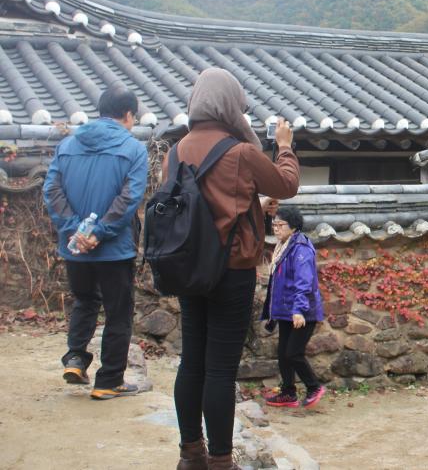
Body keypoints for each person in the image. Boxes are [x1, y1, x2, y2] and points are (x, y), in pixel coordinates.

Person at [165, 68, 300, 470]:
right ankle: (222, 461)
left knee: (192, 362)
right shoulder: (239, 152)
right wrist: (284, 146)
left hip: (189, 269)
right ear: (229, 106)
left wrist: (252, 206)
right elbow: (287, 185)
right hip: (232, 270)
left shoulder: (174, 152)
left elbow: (199, 207)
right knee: (221, 369)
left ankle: (191, 455)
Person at [43, 86, 148, 400]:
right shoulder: (133, 149)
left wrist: (75, 230)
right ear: (128, 114)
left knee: (85, 301)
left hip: (75, 247)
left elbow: (51, 191)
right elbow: (129, 198)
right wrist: (99, 232)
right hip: (114, 249)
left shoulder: (67, 145)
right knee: (118, 312)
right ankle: (109, 380)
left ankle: (75, 359)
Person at [261, 206, 326, 409]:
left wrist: (298, 310)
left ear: (293, 226)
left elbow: (304, 282)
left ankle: (314, 387)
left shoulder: (301, 248)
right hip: (286, 311)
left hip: (302, 312)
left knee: (293, 353)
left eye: (280, 225)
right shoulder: (283, 246)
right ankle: (288, 393)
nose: (276, 228)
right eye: (274, 225)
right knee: (283, 353)